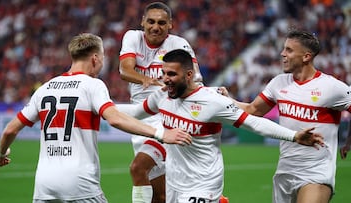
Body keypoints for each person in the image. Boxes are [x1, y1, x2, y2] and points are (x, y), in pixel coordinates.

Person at [0, 33, 193, 203]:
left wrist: (2, 154)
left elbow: (10, 130)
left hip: (44, 186)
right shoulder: (93, 85)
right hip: (80, 184)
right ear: (96, 58)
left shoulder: (45, 88)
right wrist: (160, 133)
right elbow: (114, 118)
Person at [117, 49, 324, 203]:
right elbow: (135, 113)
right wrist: (102, 108)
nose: (166, 80)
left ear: (189, 75)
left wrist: (294, 136)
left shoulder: (212, 101)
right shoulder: (162, 96)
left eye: (172, 74)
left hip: (203, 185)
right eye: (164, 73)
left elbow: (253, 123)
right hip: (174, 183)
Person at [232, 29, 351, 203]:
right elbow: (252, 110)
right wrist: (223, 100)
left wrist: (349, 140)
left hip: (316, 173)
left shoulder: (331, 87)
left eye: (289, 50)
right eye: (283, 49)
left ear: (306, 57)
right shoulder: (279, 83)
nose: (282, 54)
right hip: (285, 172)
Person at [118, 2, 203, 203]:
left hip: (168, 119)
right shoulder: (132, 37)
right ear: (142, 22)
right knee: (160, 195)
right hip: (141, 122)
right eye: (151, 22)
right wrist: (144, 79)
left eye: (162, 23)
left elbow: (196, 79)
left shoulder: (179, 44)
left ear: (170, 25)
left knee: (138, 168)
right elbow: (124, 70)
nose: (156, 27)